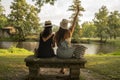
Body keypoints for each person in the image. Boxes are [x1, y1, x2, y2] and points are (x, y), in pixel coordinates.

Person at [54, 5, 80, 74]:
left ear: (60, 25)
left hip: (59, 54)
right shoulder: (69, 32)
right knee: (68, 49)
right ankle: (63, 69)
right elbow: (74, 22)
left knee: (62, 49)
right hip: (68, 55)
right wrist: (77, 12)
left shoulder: (56, 34)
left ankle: (62, 69)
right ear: (66, 25)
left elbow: (56, 45)